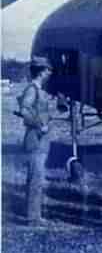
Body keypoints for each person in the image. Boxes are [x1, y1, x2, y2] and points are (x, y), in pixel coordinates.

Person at [18, 56, 53, 226]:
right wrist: (39, 125)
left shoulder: (39, 90)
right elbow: (24, 110)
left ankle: (36, 215)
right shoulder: (32, 89)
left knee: (38, 179)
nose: (49, 73)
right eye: (47, 70)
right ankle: (32, 218)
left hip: (41, 141)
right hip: (35, 139)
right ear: (40, 72)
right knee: (35, 179)